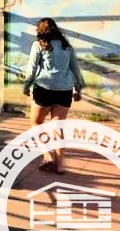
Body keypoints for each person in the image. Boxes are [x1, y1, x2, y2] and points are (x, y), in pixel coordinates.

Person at [23, 18, 84, 174]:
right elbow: (75, 68)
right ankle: (59, 166)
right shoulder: (67, 47)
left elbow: (31, 69)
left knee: (36, 122)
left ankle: (47, 155)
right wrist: (78, 88)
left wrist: (26, 86)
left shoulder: (39, 45)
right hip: (65, 90)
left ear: (40, 30)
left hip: (44, 88)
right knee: (58, 128)